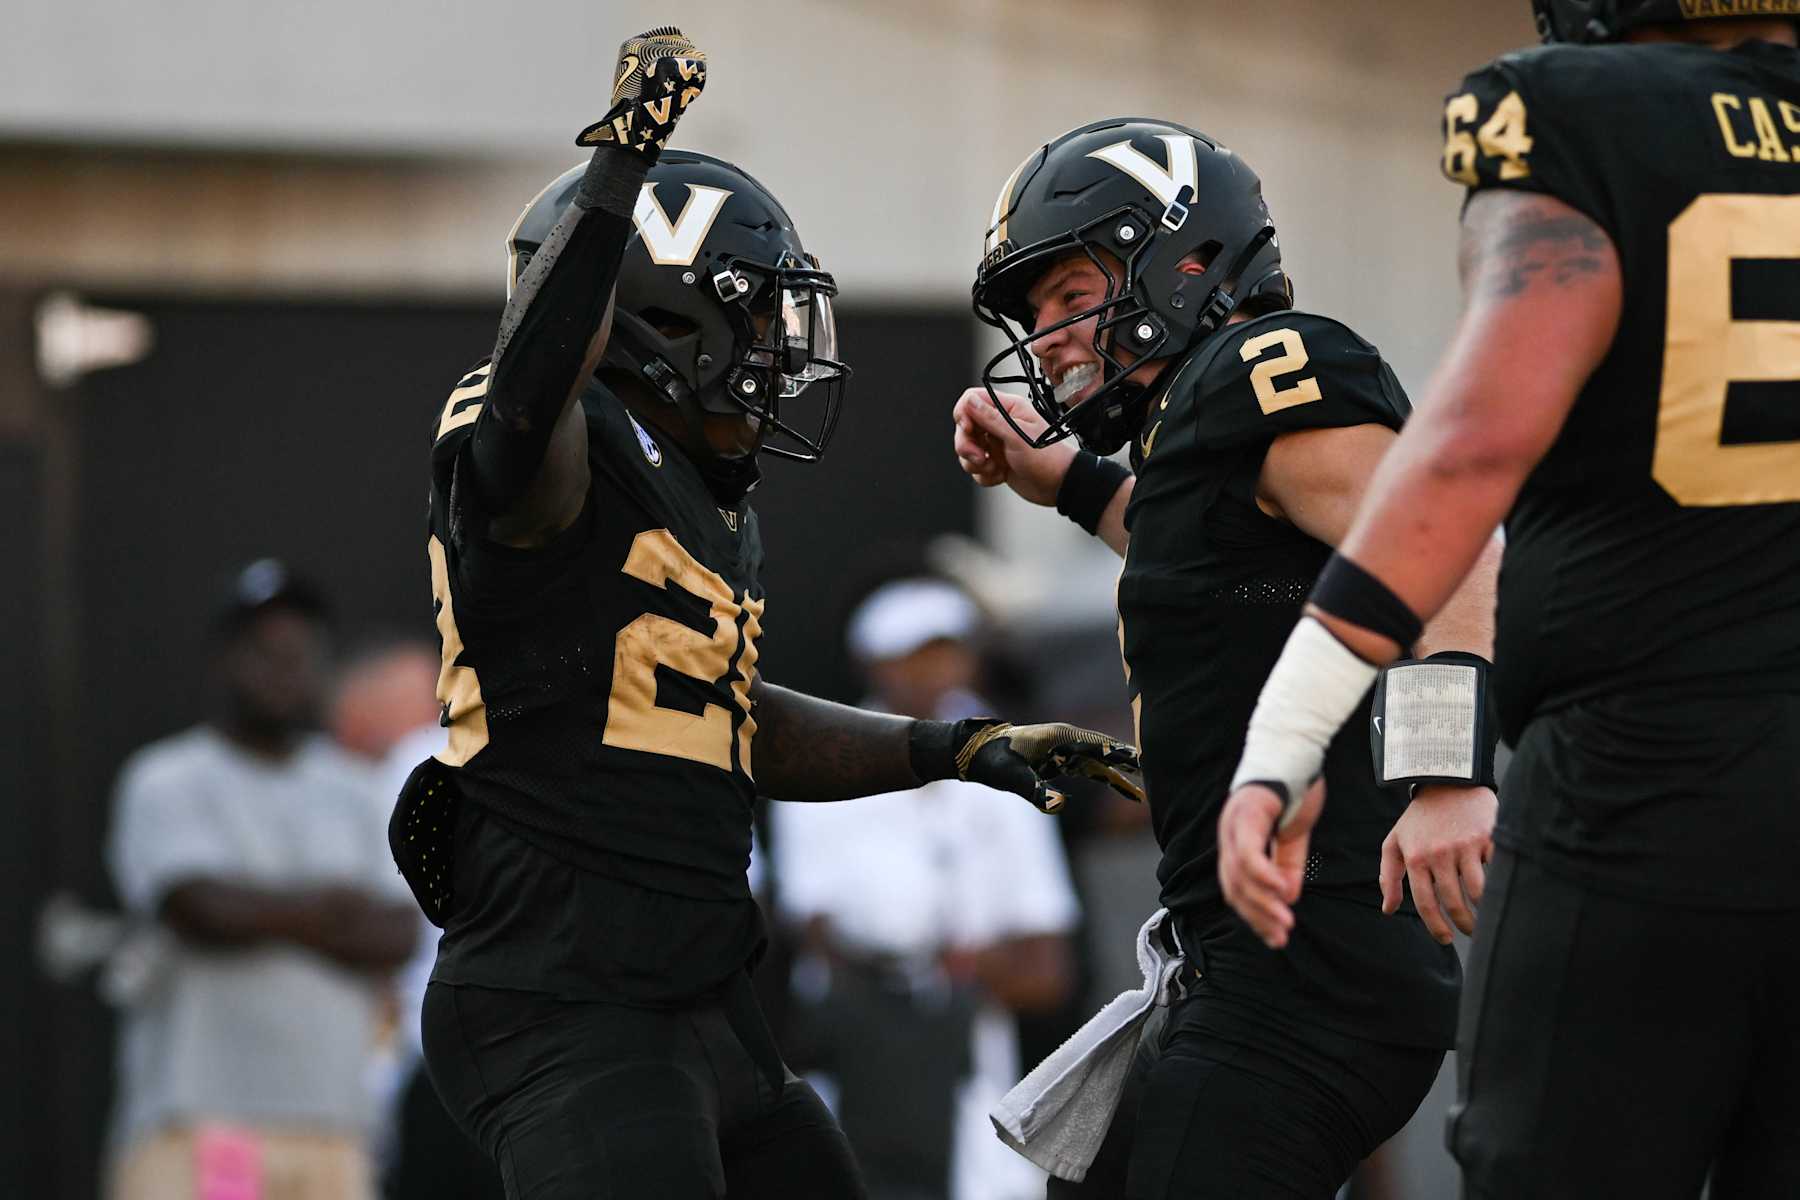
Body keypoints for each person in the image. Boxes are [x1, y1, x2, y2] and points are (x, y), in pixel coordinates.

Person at [393, 29, 1140, 1200]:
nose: (778, 355)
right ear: (663, 316)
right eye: (757, 319)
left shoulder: (693, 495)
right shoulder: (553, 435)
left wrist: (958, 745)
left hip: (698, 1010)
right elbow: (528, 405)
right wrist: (618, 173)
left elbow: (722, 717)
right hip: (564, 1007)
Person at [1218, 5, 1800, 1198]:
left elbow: (1465, 479)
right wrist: (1076, 488)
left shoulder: (1578, 122)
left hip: (1646, 793)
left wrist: (1351, 750)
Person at [951, 117, 1501, 1198]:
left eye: (1071, 297)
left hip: (1308, 977)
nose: (1051, 336)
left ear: (1187, 260)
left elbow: (1450, 548)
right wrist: (1065, 481)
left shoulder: (1258, 367)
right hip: (1238, 964)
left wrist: (1446, 771)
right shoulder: (1196, 428)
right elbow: (1220, 566)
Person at [105, 559, 418, 1200]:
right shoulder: (166, 778)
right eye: (264, 651)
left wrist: (261, 904)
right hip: (204, 1121)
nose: (283, 669)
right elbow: (200, 911)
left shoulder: (358, 790)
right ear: (225, 660)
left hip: (334, 1126)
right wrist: (332, 910)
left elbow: (397, 934)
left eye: (301, 653)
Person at [772, 574, 1081, 1200]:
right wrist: (921, 969)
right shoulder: (819, 772)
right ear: (875, 663)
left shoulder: (1011, 775)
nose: (937, 670)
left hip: (975, 1082)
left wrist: (950, 972)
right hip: (855, 1074)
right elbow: (815, 935)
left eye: (949, 650)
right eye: (916, 653)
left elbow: (1048, 967)